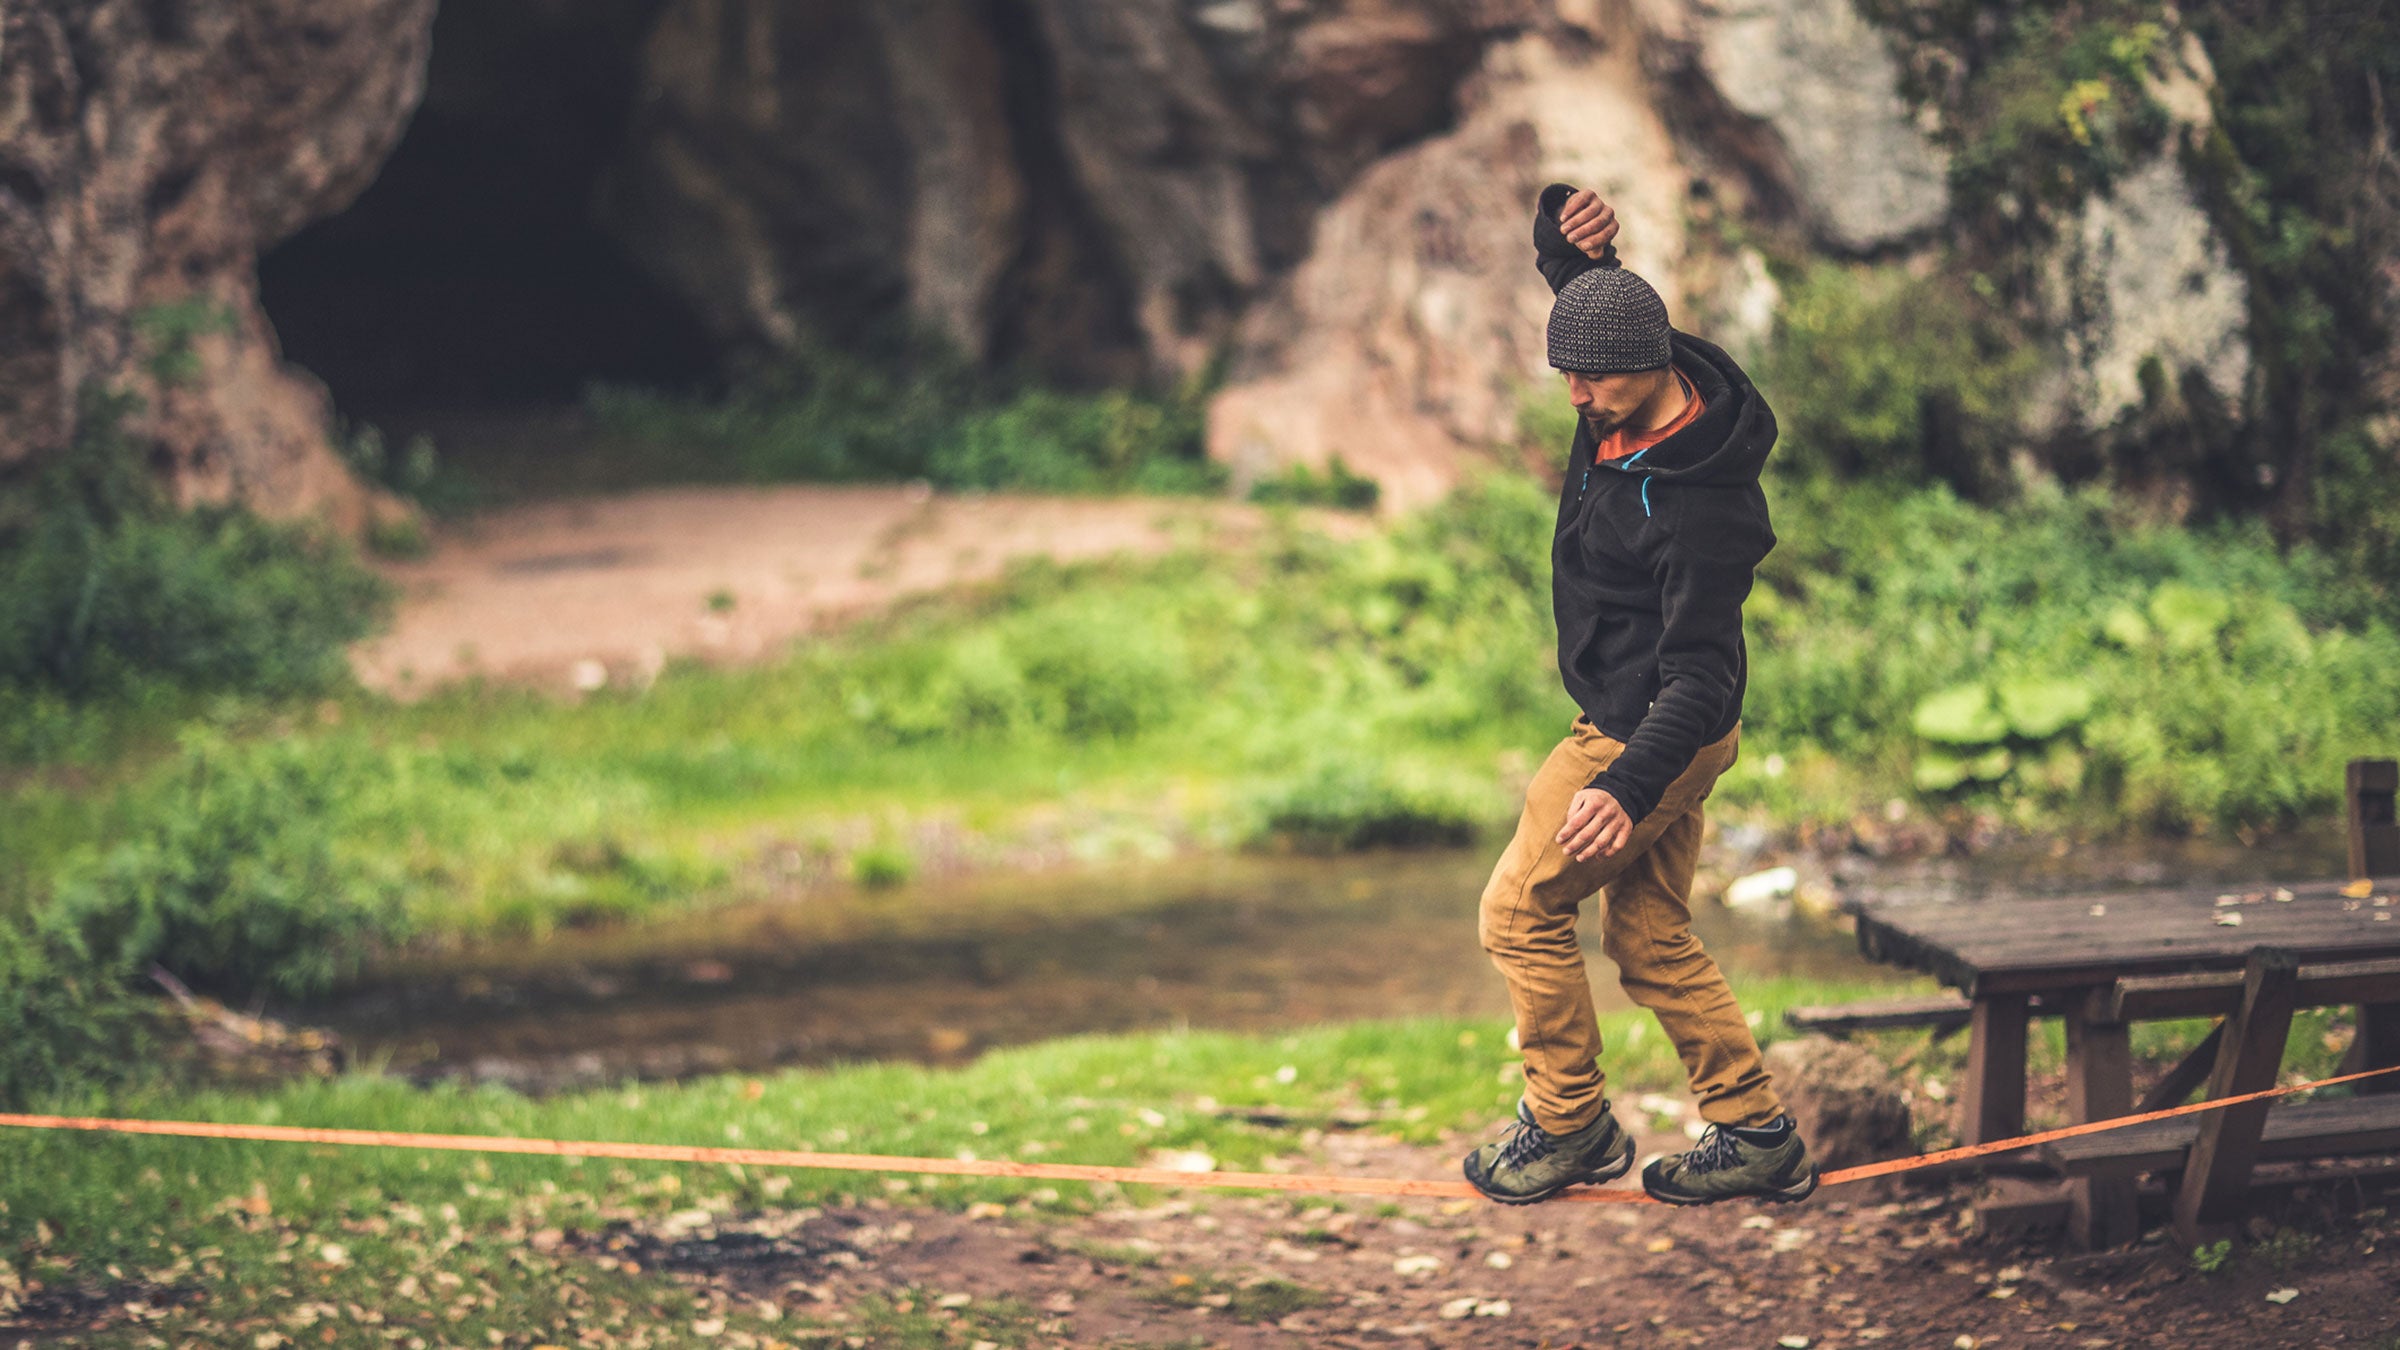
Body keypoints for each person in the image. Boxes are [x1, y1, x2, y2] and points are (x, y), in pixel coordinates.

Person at [1460, 183, 1817, 1207]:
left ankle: (1568, 1124)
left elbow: (1700, 677)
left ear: (1653, 365)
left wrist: (1623, 785)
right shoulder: (1622, 380)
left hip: (1647, 729)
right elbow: (1583, 290)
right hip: (1666, 730)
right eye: (1567, 373)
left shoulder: (1702, 509)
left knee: (1518, 912)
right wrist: (1562, 222)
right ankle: (1755, 1133)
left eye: (1595, 378)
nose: (1577, 396)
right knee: (1649, 937)